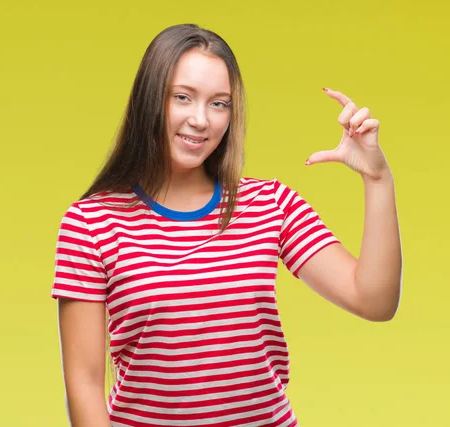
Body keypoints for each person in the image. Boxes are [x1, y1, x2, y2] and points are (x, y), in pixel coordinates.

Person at [51, 23, 402, 427]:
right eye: (182, 98)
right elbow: (85, 383)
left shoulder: (270, 204)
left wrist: (377, 179)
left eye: (220, 104)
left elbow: (374, 301)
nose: (200, 120)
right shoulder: (91, 223)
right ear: (150, 100)